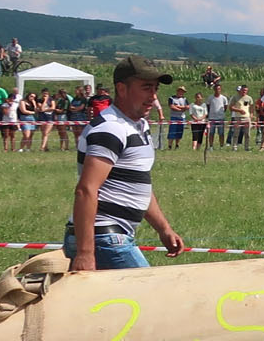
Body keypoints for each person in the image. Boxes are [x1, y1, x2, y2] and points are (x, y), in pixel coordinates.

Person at [65, 57, 188, 271]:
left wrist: (164, 229)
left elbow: (136, 187)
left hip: (111, 238)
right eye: (146, 88)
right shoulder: (111, 128)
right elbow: (86, 190)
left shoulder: (138, 126)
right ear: (121, 89)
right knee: (150, 297)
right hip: (104, 238)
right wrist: (85, 253)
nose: (153, 97)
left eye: (155, 89)